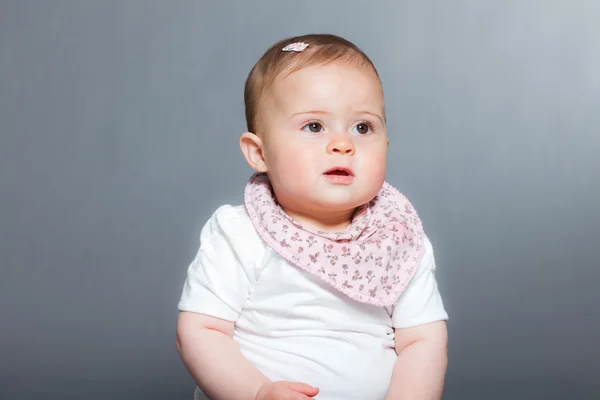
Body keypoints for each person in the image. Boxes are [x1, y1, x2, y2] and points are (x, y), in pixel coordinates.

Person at [176, 33, 449, 400]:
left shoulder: (396, 238)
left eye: (363, 127)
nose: (343, 143)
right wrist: (256, 393)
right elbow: (201, 330)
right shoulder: (241, 232)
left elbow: (423, 340)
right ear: (259, 153)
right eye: (314, 126)